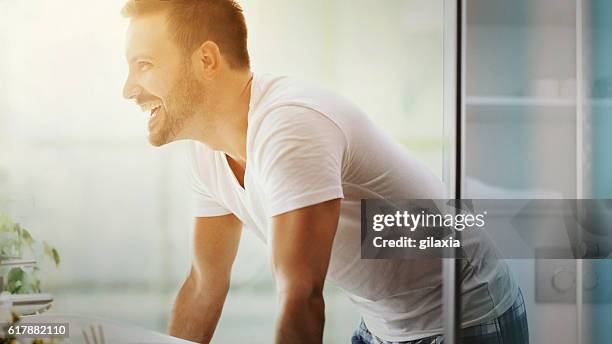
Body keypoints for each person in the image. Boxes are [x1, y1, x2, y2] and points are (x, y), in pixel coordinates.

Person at [120, 1, 528, 343]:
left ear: (206, 60)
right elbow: (204, 286)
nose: (128, 88)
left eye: (144, 65)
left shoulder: (290, 128)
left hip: (465, 318)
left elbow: (301, 297)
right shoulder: (207, 151)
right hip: (386, 324)